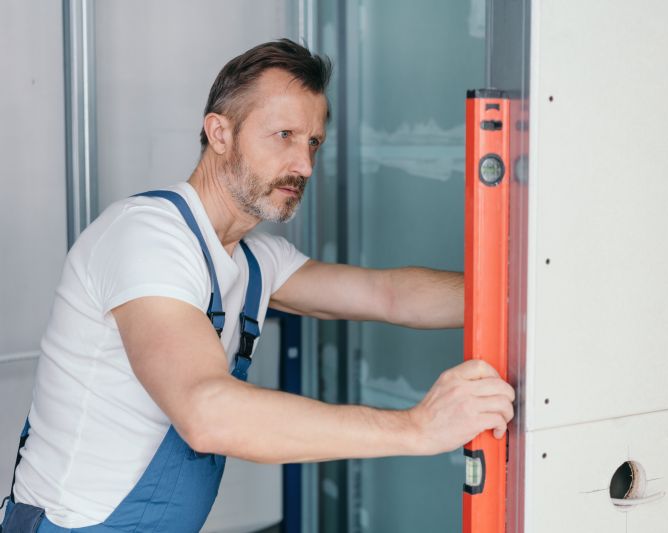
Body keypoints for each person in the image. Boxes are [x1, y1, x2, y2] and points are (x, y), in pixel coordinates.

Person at [0, 39, 514, 532]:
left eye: (313, 142)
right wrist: (416, 428)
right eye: (283, 136)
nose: (304, 164)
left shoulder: (255, 259)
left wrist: (522, 300)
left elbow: (389, 295)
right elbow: (206, 411)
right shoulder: (145, 237)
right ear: (219, 133)